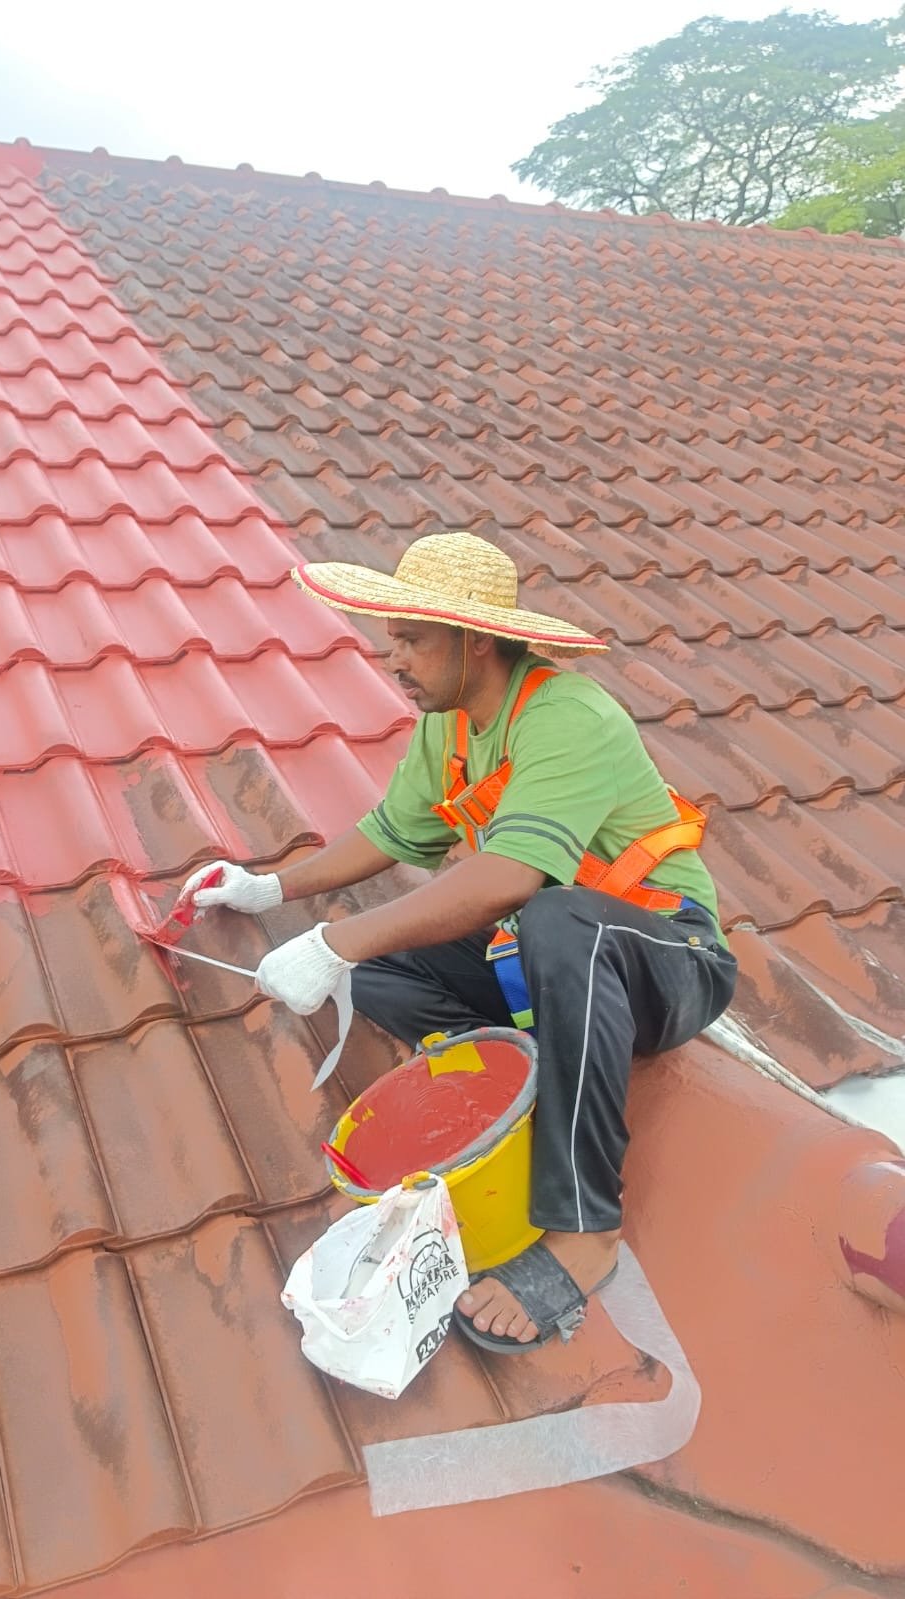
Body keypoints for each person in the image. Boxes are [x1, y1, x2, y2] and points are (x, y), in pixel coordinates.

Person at [184, 531, 737, 1354]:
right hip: (544, 966)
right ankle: (537, 1075)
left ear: (476, 640)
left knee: (556, 921)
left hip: (666, 960)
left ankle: (583, 1229)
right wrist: (271, 888)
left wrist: (332, 938)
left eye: (411, 639)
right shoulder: (451, 728)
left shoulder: (567, 718)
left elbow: (508, 879)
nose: (392, 656)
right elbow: (387, 832)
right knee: (375, 973)